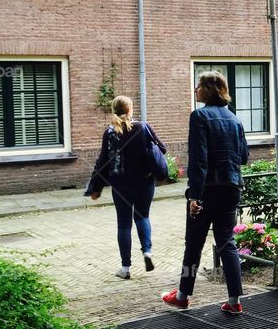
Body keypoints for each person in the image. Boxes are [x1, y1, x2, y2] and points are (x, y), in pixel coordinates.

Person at [161, 71, 249, 312]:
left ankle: (182, 295)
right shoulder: (235, 119)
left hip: (208, 189)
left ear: (209, 90)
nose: (195, 90)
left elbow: (199, 160)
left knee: (193, 245)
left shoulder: (199, 116)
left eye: (198, 86)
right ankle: (235, 301)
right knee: (227, 243)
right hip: (232, 187)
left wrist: (195, 195)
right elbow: (244, 157)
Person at [85, 95, 166, 279]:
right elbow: (162, 149)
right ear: (130, 110)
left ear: (114, 111)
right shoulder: (142, 127)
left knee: (123, 225)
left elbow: (102, 161)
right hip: (144, 182)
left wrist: (95, 187)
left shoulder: (110, 132)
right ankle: (147, 252)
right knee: (142, 216)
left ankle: (125, 268)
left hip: (120, 184)